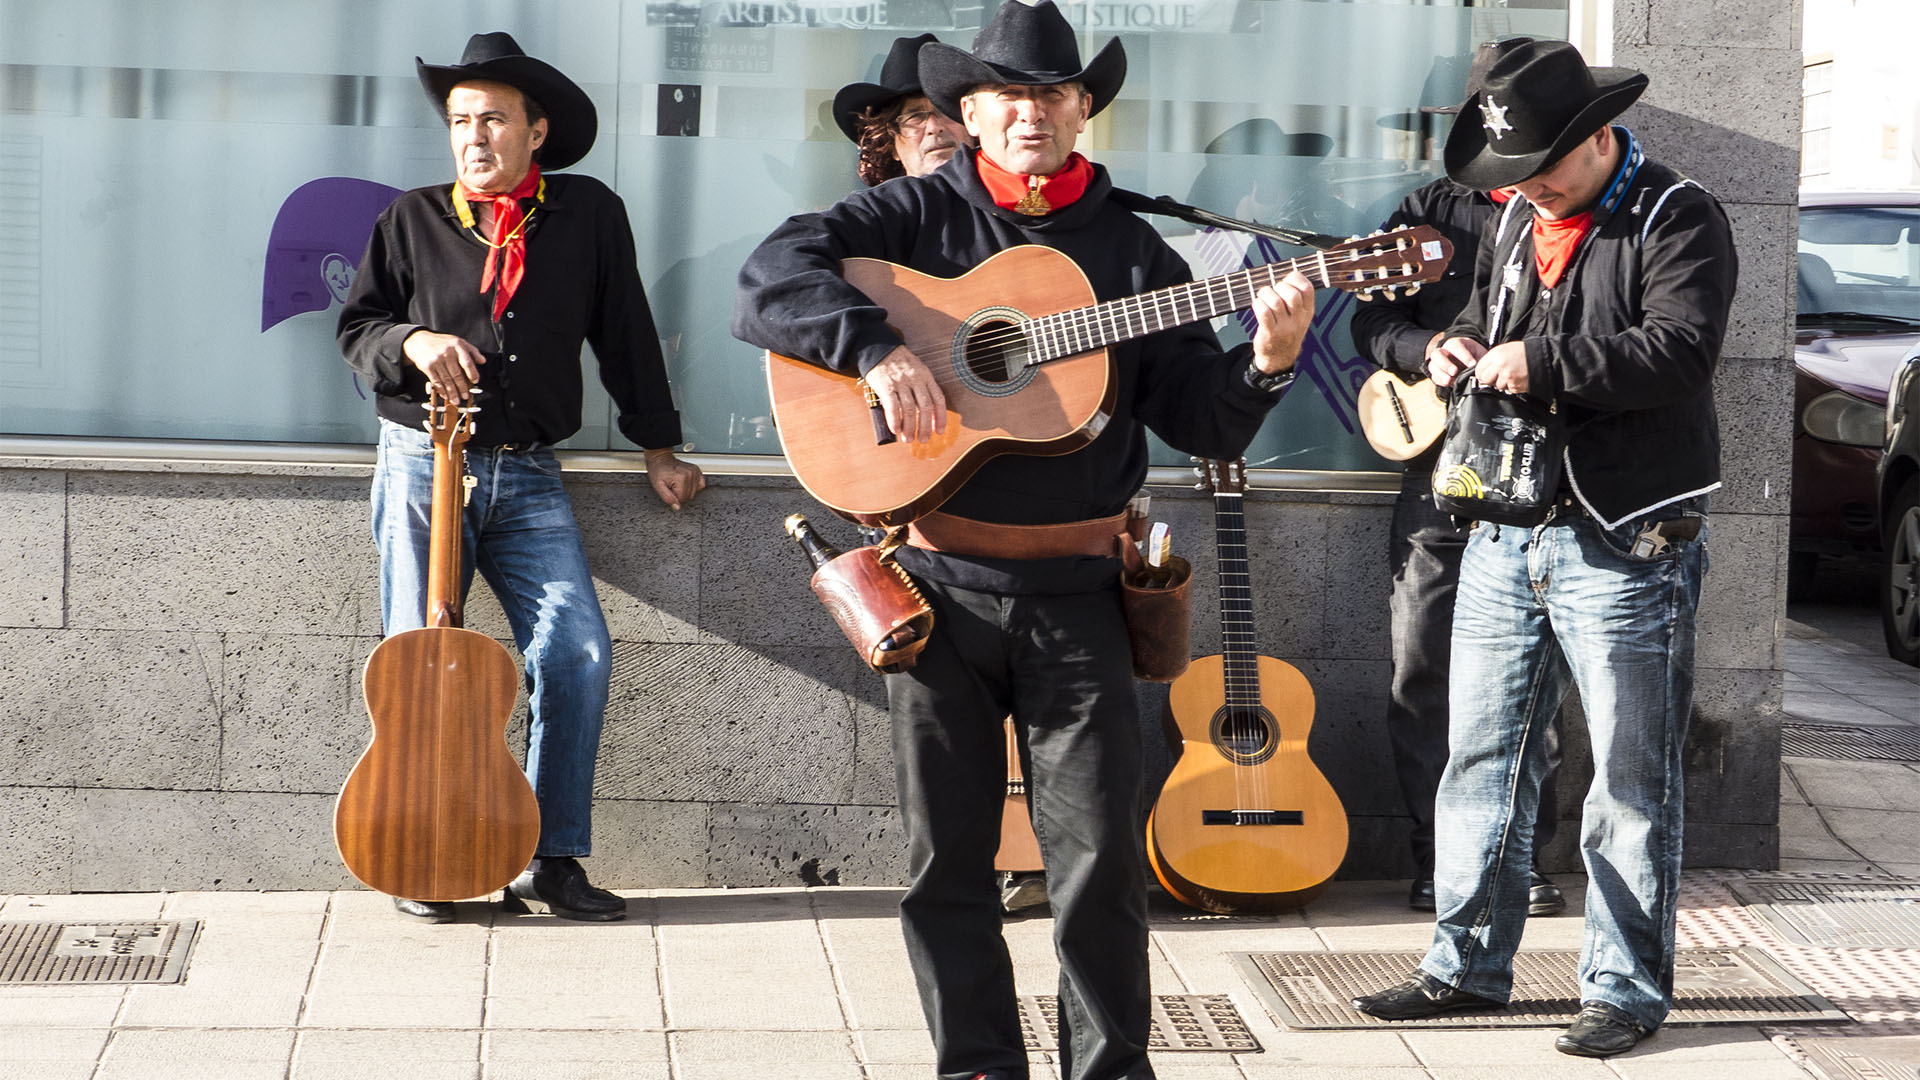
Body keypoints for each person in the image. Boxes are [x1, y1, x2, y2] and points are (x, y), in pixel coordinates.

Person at [733, 4, 1315, 1077]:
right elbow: (770, 279)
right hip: (940, 587)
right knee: (945, 865)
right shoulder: (911, 218)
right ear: (969, 109)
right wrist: (874, 353)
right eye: (1007, 94)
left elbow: (1200, 416)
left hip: (1082, 593)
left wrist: (1267, 361)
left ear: (1084, 108)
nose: (1030, 112)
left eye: (1052, 93)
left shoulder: (1137, 249)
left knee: (1098, 867)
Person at [1348, 40, 1737, 1058]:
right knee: (1478, 760)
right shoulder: (1520, 217)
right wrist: (1452, 345)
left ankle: (1624, 989)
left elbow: (1681, 350)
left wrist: (1540, 361)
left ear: (1597, 138)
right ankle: (1464, 965)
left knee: (1626, 780)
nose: (1519, 187)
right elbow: (1487, 317)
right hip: (1504, 529)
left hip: (1626, 539)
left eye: (1539, 167)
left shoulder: (1679, 213)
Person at [337, 32, 705, 924]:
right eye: (462, 120)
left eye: (493, 119)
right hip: (426, 464)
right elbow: (358, 332)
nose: (473, 137)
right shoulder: (412, 218)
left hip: (531, 473)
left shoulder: (586, 214)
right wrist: (414, 342)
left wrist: (658, 446)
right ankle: (422, 855)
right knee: (417, 668)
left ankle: (551, 856)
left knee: (574, 649)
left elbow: (624, 332)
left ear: (536, 132)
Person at [1349, 36, 1566, 918]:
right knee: (1422, 665)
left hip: (1548, 472)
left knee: (1534, 678)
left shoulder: (1584, 212)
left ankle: (1522, 857)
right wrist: (1425, 347)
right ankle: (1438, 856)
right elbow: (1370, 324)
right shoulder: (1433, 209)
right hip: (1441, 469)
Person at [833, 33, 973, 186]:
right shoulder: (879, 209)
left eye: (945, 110)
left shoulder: (999, 206)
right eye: (915, 117)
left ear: (973, 122)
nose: (934, 127)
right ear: (891, 144)